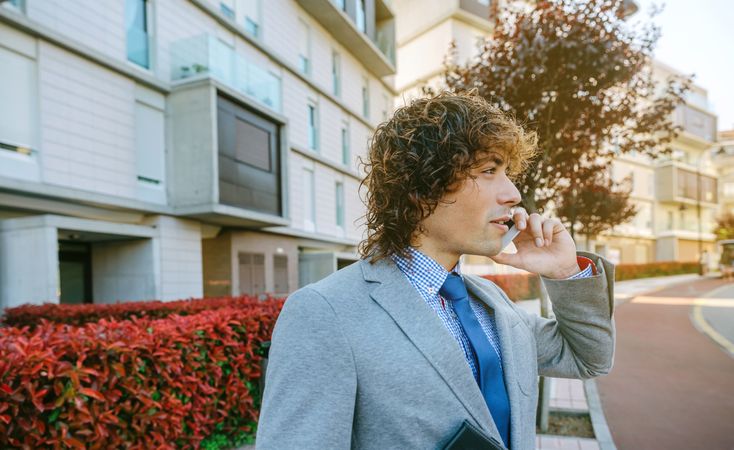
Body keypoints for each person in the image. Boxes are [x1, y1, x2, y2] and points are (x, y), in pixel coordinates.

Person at [256, 92, 615, 450]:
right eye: (489, 170)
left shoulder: (493, 302)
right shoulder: (324, 313)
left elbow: (588, 357)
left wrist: (566, 271)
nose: (513, 193)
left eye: (507, 173)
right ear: (422, 188)